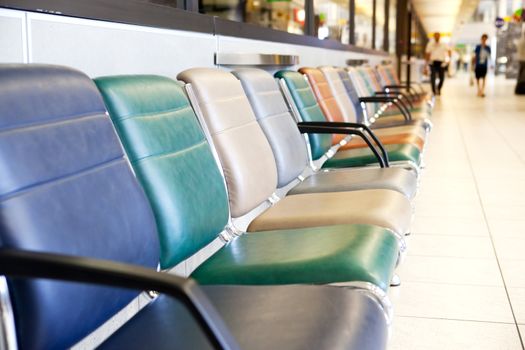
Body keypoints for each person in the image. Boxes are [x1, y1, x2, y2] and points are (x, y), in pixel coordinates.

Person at [515, 30, 525, 94]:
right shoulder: (523, 41)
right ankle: (521, 90)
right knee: (523, 76)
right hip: (524, 60)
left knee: (521, 75)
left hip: (520, 59)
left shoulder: (520, 40)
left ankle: (518, 89)